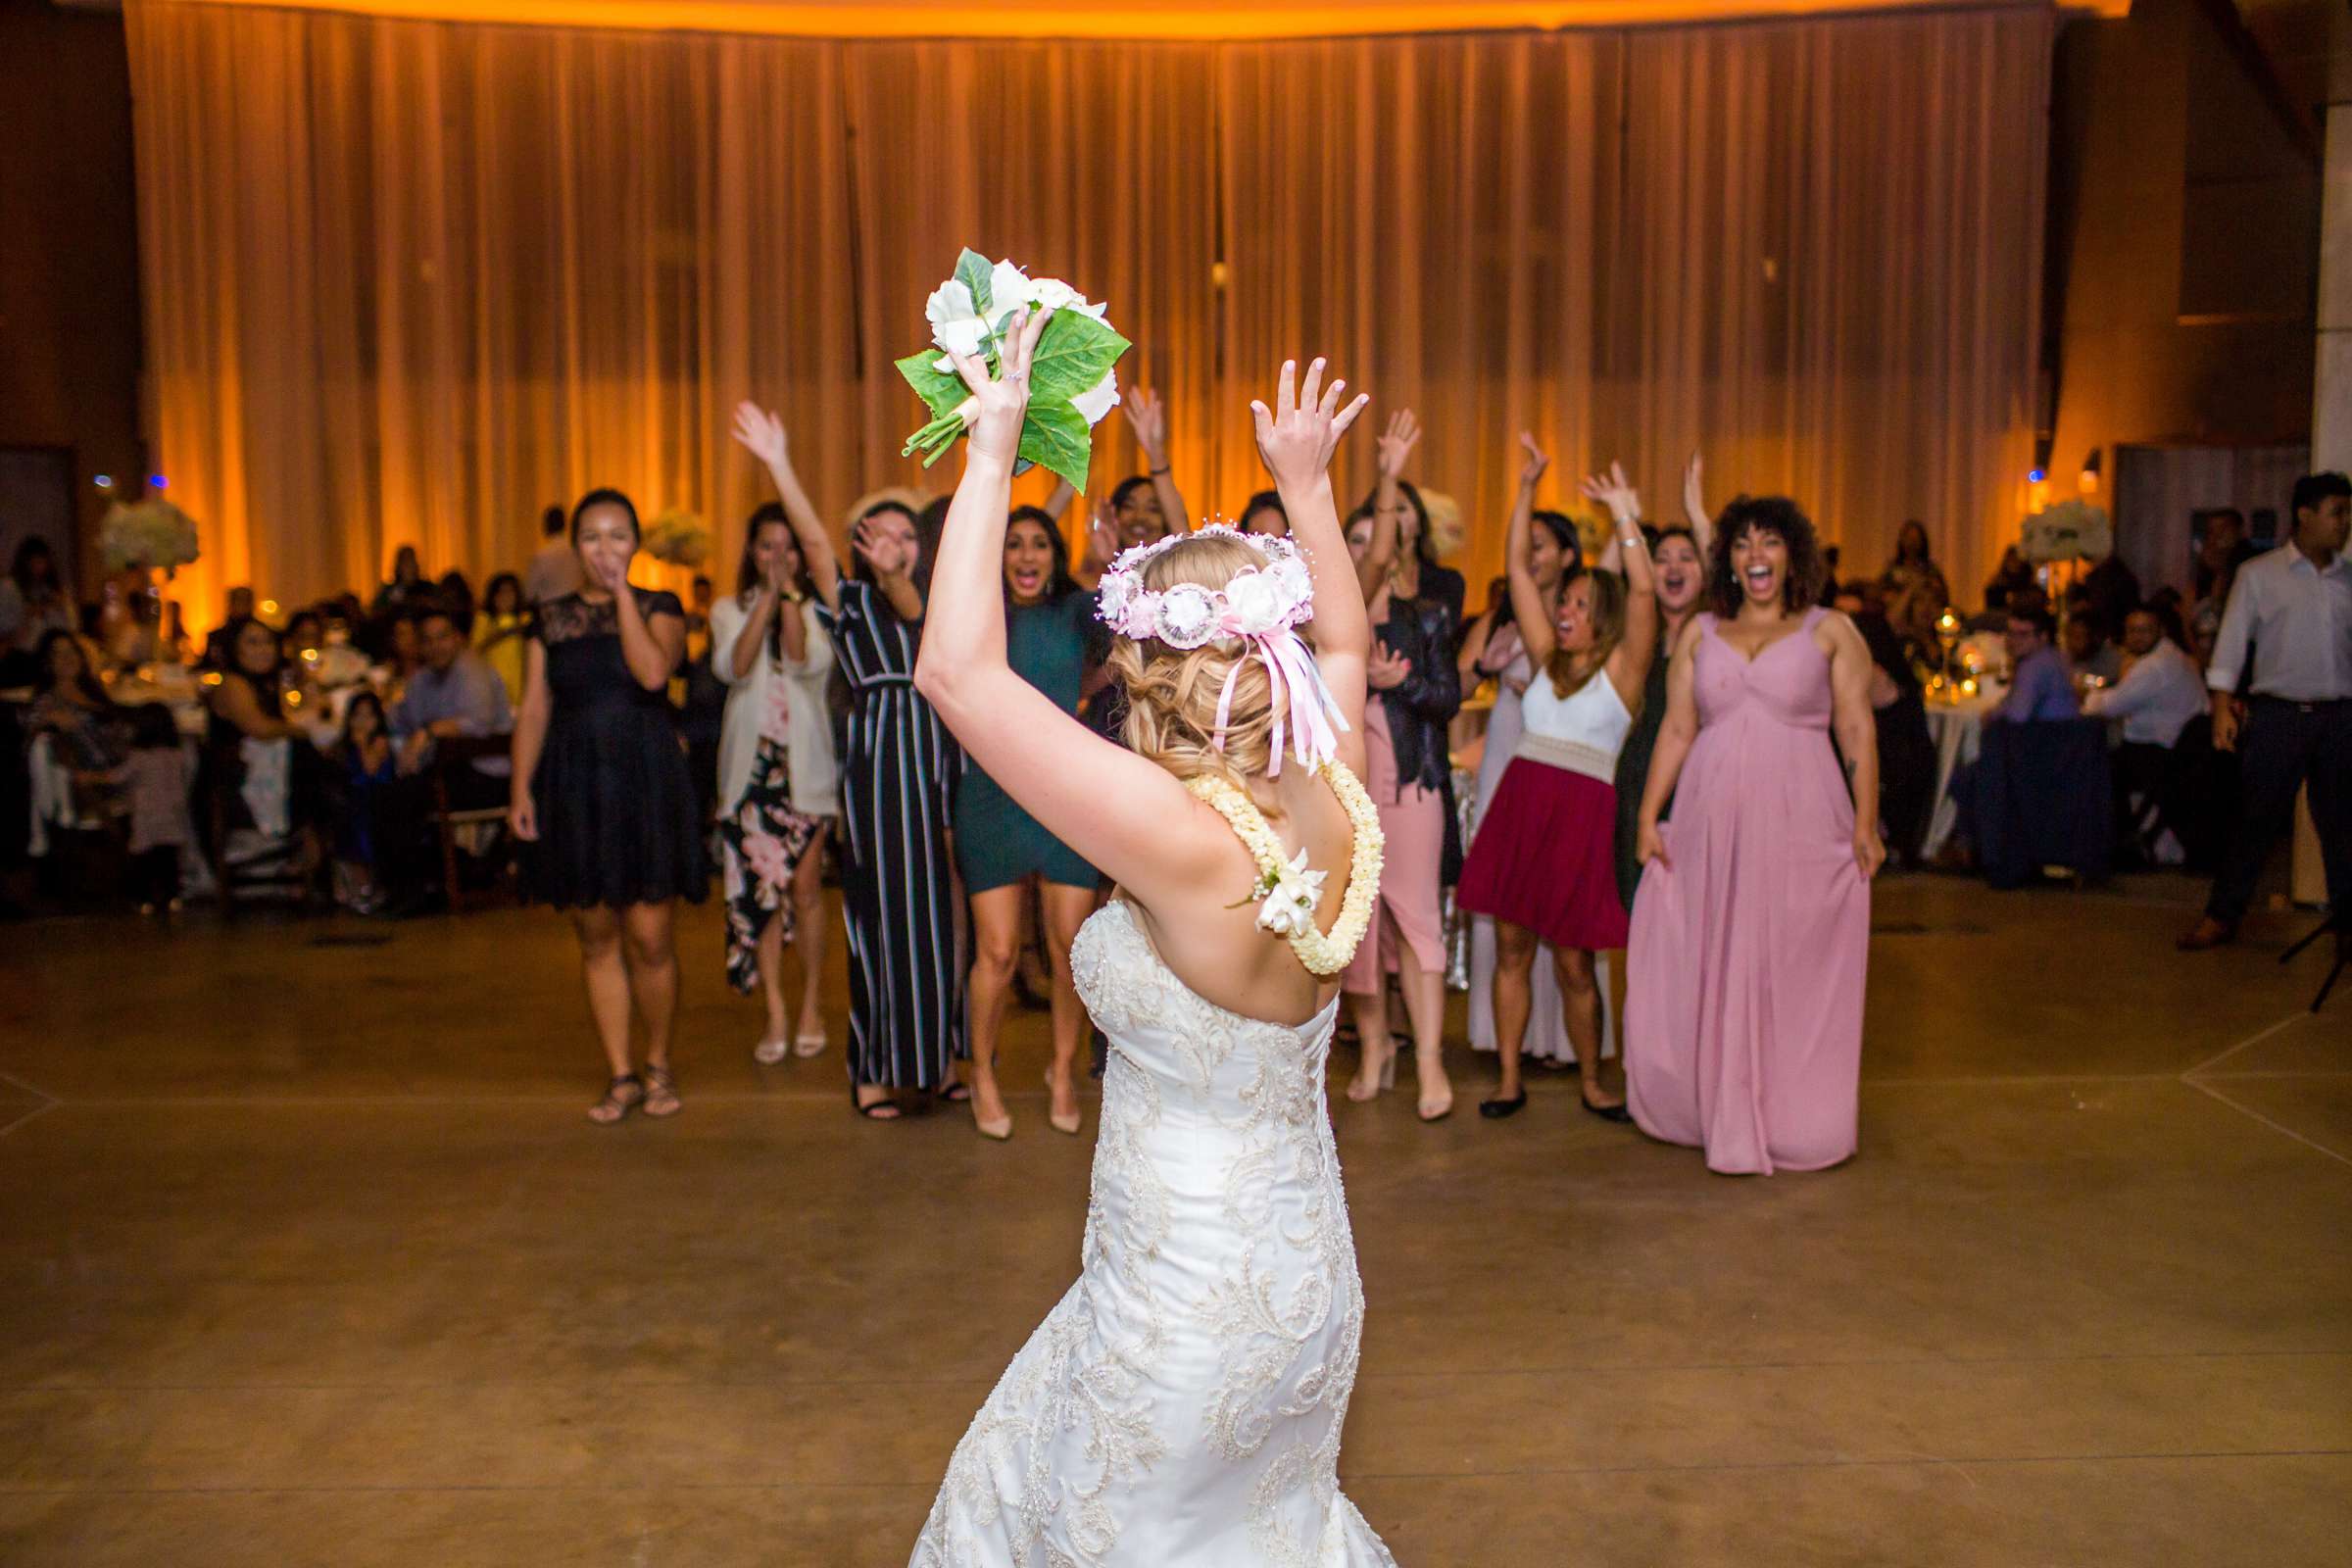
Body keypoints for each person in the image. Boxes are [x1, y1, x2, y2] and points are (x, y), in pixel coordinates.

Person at [910, 320, 1394, 1564]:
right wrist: (1307, 486)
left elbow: (956, 674)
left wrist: (998, 440)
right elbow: (1344, 640)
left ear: (1156, 666)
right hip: (1299, 1280)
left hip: (1181, 1297)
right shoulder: (1330, 771)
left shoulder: (1183, 840)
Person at [1625, 496, 1882, 1175]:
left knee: (1787, 957)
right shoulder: (1700, 634)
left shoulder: (1831, 631)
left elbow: (1857, 727)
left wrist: (1864, 821)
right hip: (1712, 816)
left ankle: (1795, 1114)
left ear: (1792, 555)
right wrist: (1650, 816)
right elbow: (1677, 728)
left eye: (1769, 543)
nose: (1755, 555)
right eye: (1742, 544)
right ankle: (1708, 1102)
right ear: (1729, 561)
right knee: (1714, 947)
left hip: (1804, 817)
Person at [733, 403, 966, 1121]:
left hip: (937, 758)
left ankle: (939, 1061)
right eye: (877, 532)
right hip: (878, 764)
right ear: (860, 543)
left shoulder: (937, 600)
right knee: (878, 915)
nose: (891, 543)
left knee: (939, 920)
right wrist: (777, 461)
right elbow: (807, 536)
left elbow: (911, 599)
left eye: (905, 532)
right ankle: (872, 1069)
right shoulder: (852, 601)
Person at [1456, 434, 1658, 1122]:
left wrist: (1626, 517)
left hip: (1579, 818)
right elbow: (1515, 566)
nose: (1561, 612)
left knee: (1575, 964)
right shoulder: (1544, 659)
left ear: (1598, 612)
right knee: (1510, 949)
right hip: (1523, 805)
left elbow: (1645, 594)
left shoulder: (1624, 673)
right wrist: (1523, 488)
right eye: (1561, 603)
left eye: (1574, 603)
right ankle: (1509, 1079)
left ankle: (1595, 1083)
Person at [507, 489, 706, 1125]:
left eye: (617, 536)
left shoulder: (662, 607)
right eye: (591, 537)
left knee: (650, 936)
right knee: (595, 935)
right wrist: (520, 788)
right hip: (575, 780)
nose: (604, 549)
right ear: (575, 548)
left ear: (636, 543)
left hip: (645, 778)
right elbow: (534, 708)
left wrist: (623, 595)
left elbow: (652, 675)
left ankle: (658, 1064)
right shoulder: (550, 618)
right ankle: (621, 1073)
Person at [945, 505, 1105, 1140]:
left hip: (1064, 791)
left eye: (1040, 543)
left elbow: (1106, 666)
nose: (1027, 555)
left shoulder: (1077, 610)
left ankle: (1062, 1070)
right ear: (998, 554)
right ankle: (981, 1071)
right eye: (1014, 544)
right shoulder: (977, 611)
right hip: (991, 793)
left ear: (1055, 554)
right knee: (1000, 951)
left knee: (1072, 947)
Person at [1338, 410, 1460, 1120]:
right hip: (1345, 786)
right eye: (1352, 541)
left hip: (1411, 783)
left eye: (1372, 538)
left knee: (1415, 919)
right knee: (1358, 926)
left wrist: (1399, 684)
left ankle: (1433, 1064)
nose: (1367, 550)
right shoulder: (1331, 614)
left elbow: (1444, 696)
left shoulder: (1427, 614)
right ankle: (1378, 1047)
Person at [2178, 472, 2352, 956]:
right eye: (2337, 512)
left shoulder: (2348, 578)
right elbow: (2230, 644)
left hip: (2339, 717)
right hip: (2279, 715)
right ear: (2305, 514)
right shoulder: (2261, 574)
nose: (2344, 523)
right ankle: (2222, 915)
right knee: (2255, 819)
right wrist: (2220, 707)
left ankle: (2348, 922)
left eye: (2347, 513)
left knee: (2342, 823)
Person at [1458, 458, 1584, 1071]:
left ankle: (1560, 1041)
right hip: (1508, 753)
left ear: (1567, 556)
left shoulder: (1583, 620)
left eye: (1541, 545)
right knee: (1506, 901)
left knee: (1563, 903)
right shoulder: (1503, 618)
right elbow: (1460, 678)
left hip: (1561, 760)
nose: (1531, 556)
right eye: (1525, 543)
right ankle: (1502, 1035)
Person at [710, 501, 840, 1066]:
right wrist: (765, 596)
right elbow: (734, 667)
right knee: (763, 893)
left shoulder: (818, 611)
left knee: (806, 890)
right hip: (749, 775)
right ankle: (777, 1012)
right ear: (751, 552)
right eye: (767, 546)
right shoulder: (726, 609)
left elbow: (799, 659)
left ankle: (811, 1003)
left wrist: (786, 596)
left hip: (804, 773)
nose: (778, 557)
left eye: (788, 547)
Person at [2085, 606, 2208, 865]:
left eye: (2144, 630)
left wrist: (2082, 698)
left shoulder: (2154, 666)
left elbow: (2111, 705)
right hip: (2181, 750)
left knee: (2097, 767)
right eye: (2132, 631)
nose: (2137, 637)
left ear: (2160, 631)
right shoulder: (2173, 656)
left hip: (2163, 752)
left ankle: (2117, 843)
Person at [391, 607, 513, 780]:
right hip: (442, 770)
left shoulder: (473, 669)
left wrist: (428, 732)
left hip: (487, 773)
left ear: (457, 638)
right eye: (428, 640)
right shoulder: (422, 678)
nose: (436, 647)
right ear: (420, 646)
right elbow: (403, 720)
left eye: (442, 637)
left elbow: (479, 723)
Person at [113, 702, 192, 914]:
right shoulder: (177, 755)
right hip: (172, 812)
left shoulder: (139, 757)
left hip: (146, 814)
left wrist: (89, 777)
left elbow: (117, 777)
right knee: (168, 858)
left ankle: (144, 898)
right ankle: (172, 895)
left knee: (143, 859)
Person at [328, 690, 400, 914]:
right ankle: (349, 886)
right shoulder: (342, 748)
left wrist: (361, 746)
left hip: (377, 801)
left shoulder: (379, 743)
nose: (363, 722)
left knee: (361, 825)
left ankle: (370, 886)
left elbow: (369, 770)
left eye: (369, 716)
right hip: (353, 803)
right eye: (357, 716)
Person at [1995, 603, 2079, 723]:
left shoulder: (2033, 665)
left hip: (2049, 737)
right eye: (2011, 633)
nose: (2014, 640)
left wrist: (1993, 715)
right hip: (2065, 735)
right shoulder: (2056, 657)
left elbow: (2017, 715)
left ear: (2043, 636)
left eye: (2023, 634)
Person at [1, 538, 76, 665]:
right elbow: (6, 628)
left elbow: (72, 626)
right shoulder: (10, 587)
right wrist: (28, 615)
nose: (39, 567)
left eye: (42, 562)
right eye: (34, 562)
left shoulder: (53, 590)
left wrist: (62, 606)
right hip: (23, 654)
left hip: (53, 656)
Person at [472, 572, 529, 706]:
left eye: (510, 592)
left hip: (518, 682)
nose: (505, 597)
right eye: (501, 593)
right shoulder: (483, 619)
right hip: (492, 681)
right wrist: (503, 633)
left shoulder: (524, 619)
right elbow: (475, 649)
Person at [525, 503, 582, 607]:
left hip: (549, 608)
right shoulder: (577, 550)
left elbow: (529, 592)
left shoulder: (542, 555)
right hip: (576, 606)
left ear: (546, 525)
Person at [2061, 611, 2122, 688]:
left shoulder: (2111, 658)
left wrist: (2083, 680)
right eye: (2069, 636)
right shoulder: (2066, 657)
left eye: (2077, 637)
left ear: (2093, 637)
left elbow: (2104, 682)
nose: (2071, 642)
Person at [201, 587, 257, 670]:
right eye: (239, 600)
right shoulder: (217, 637)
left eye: (246, 600)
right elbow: (207, 665)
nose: (242, 604)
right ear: (230, 604)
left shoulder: (261, 635)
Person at [370, 546, 430, 618]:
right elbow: (377, 612)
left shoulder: (428, 588)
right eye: (405, 561)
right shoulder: (388, 591)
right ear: (398, 566)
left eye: (412, 560)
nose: (410, 565)